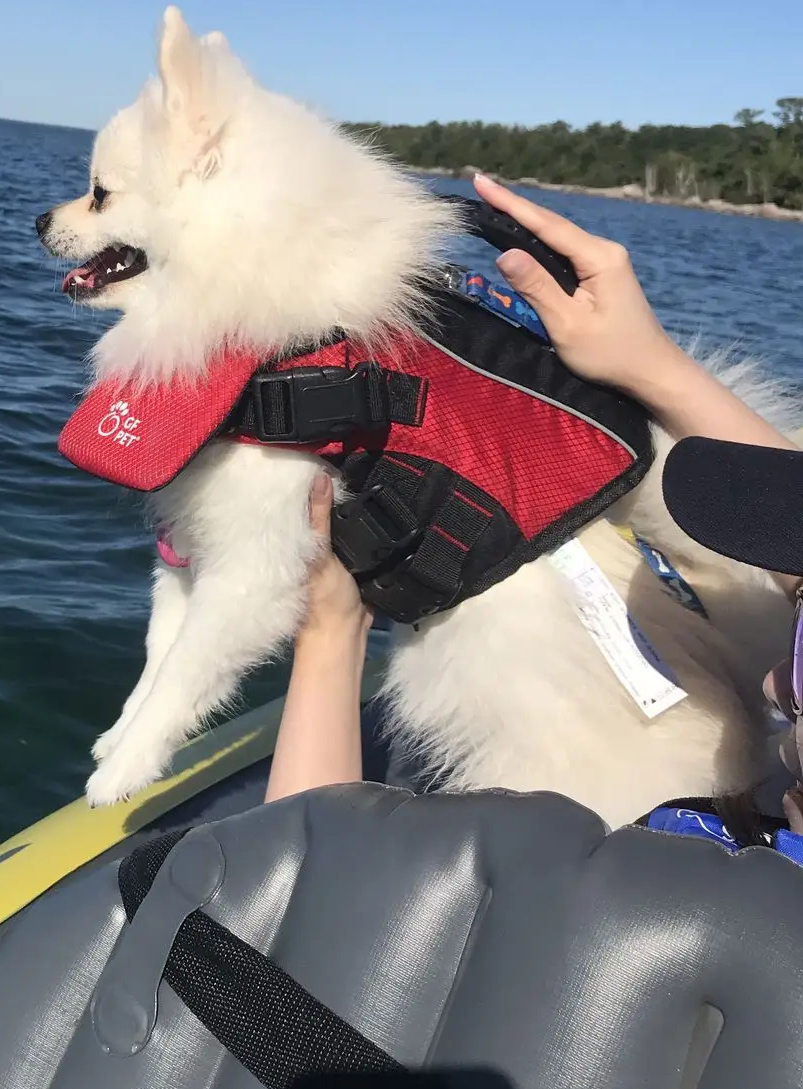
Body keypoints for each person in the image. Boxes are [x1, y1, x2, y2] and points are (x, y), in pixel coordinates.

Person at [266, 172, 802, 808]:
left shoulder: (646, 884)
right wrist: (648, 365)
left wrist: (331, 636)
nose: (775, 688)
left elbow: (300, 883)